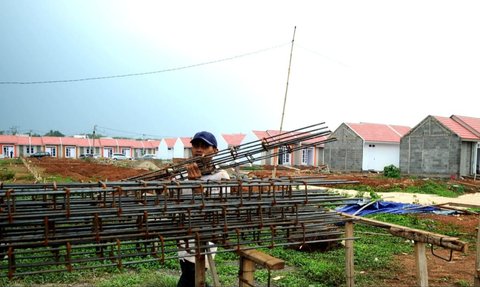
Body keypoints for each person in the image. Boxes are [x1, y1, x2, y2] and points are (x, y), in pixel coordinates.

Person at [177, 131, 230, 287]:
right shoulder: (182, 173)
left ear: (215, 151)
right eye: (196, 145)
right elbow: (173, 197)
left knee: (190, 275)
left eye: (205, 146)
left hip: (205, 234)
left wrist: (197, 185)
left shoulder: (221, 176)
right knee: (190, 273)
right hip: (184, 232)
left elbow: (216, 210)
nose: (199, 149)